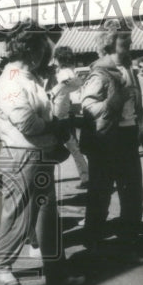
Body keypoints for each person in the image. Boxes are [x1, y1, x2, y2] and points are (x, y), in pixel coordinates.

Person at [0, 20, 85, 285]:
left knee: (47, 215)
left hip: (38, 153)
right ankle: (3, 266)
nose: (46, 55)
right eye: (42, 49)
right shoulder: (10, 80)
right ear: (30, 49)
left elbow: (41, 112)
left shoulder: (29, 77)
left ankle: (56, 270)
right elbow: (27, 123)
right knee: (18, 213)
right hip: (20, 154)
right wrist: (55, 126)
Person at [79, 19, 143, 265]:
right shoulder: (101, 71)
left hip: (128, 137)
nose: (129, 42)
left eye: (129, 38)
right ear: (109, 41)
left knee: (133, 196)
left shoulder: (129, 67)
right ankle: (93, 245)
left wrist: (141, 125)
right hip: (106, 140)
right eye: (123, 38)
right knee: (101, 195)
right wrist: (113, 103)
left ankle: (128, 244)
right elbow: (87, 107)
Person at [48, 46, 89, 186]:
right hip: (63, 115)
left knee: (51, 148)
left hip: (57, 116)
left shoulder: (64, 73)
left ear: (60, 58)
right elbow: (77, 82)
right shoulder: (64, 71)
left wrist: (55, 91)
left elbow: (74, 82)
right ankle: (85, 177)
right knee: (73, 148)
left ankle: (49, 178)